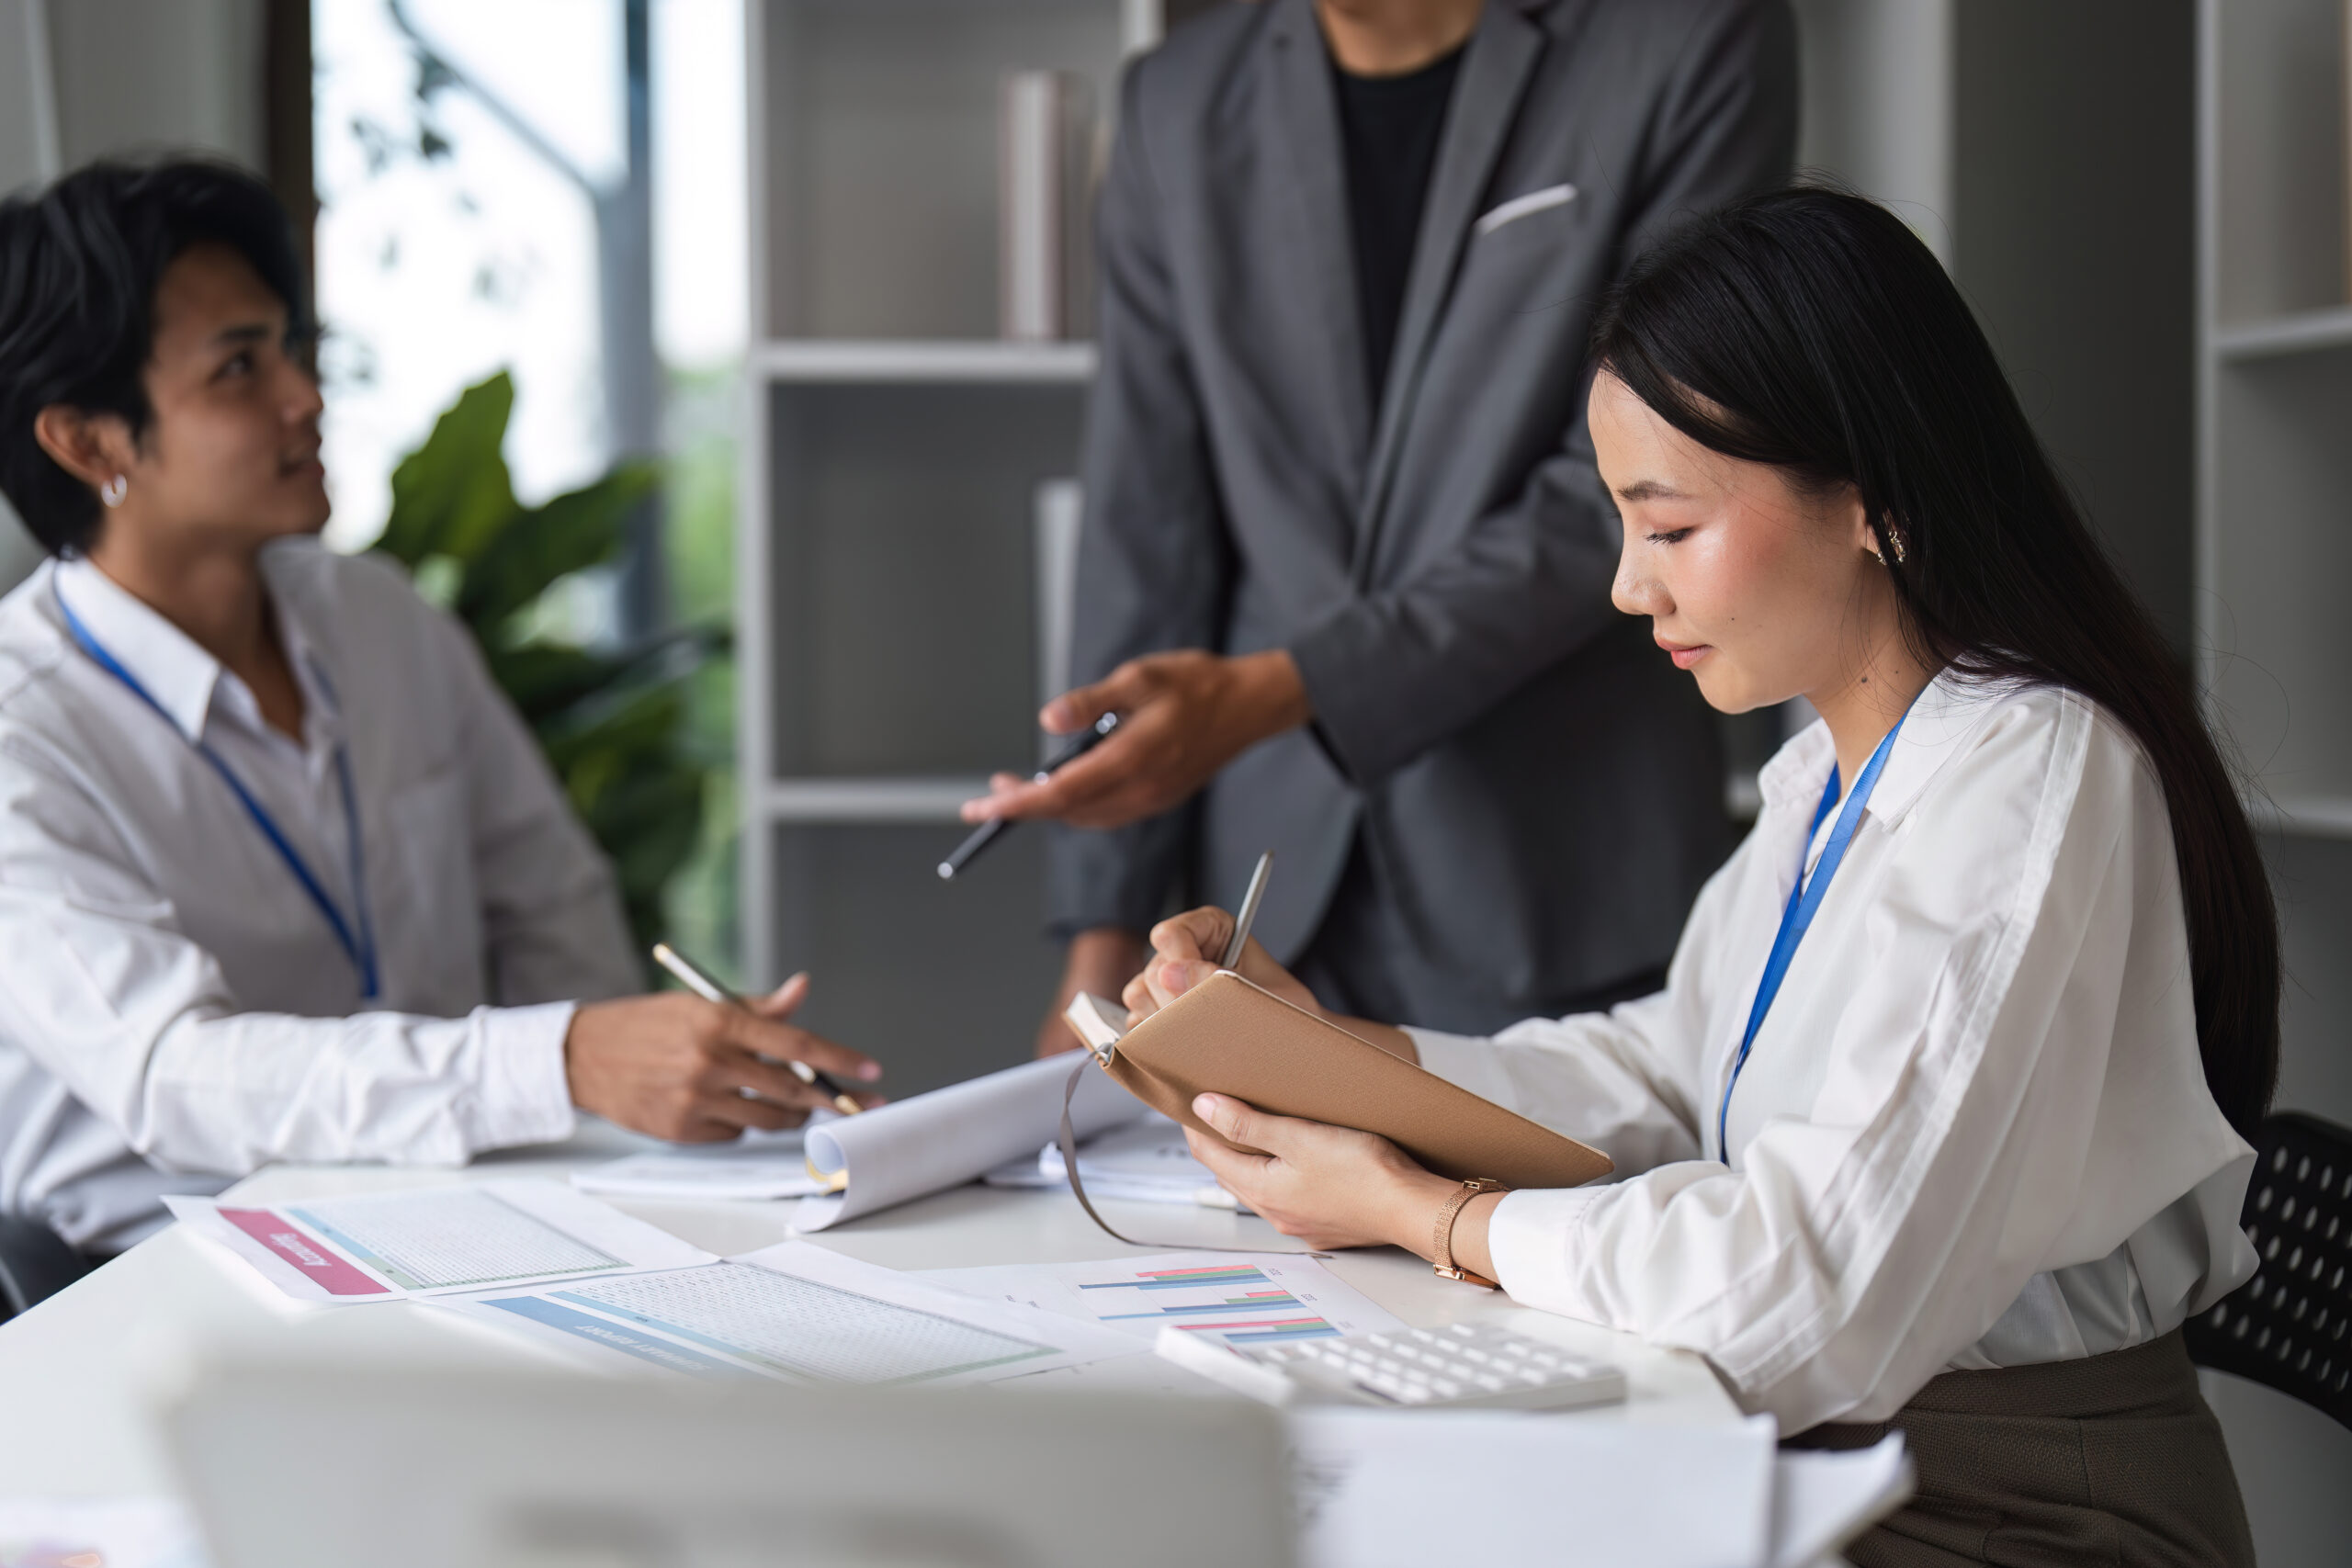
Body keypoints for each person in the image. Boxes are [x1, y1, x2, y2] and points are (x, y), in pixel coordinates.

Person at [1123, 188, 2271, 1566]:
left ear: (1879, 504)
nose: (1625, 585)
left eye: (1666, 529)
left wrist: (1425, 1212)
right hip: (1828, 1448)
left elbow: (1812, 1296)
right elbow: (1673, 1075)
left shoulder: (2032, 775)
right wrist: (1328, 1053)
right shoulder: (1830, 777)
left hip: (2019, 1507)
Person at [0, 158, 879, 1257]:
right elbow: (175, 1075)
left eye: (293, 349)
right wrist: (559, 1064)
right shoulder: (22, 732)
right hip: (163, 1271)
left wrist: (650, 1102)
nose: (304, 397)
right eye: (238, 368)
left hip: (463, 1228)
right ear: (88, 442)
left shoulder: (378, 621)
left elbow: (551, 912)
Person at [960, 0, 1799, 1051]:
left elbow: (1640, 482)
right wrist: (1099, 941)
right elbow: (1145, 520)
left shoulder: (1684, 40)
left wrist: (1285, 690)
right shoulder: (1175, 104)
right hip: (1262, 913)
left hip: (1559, 881)